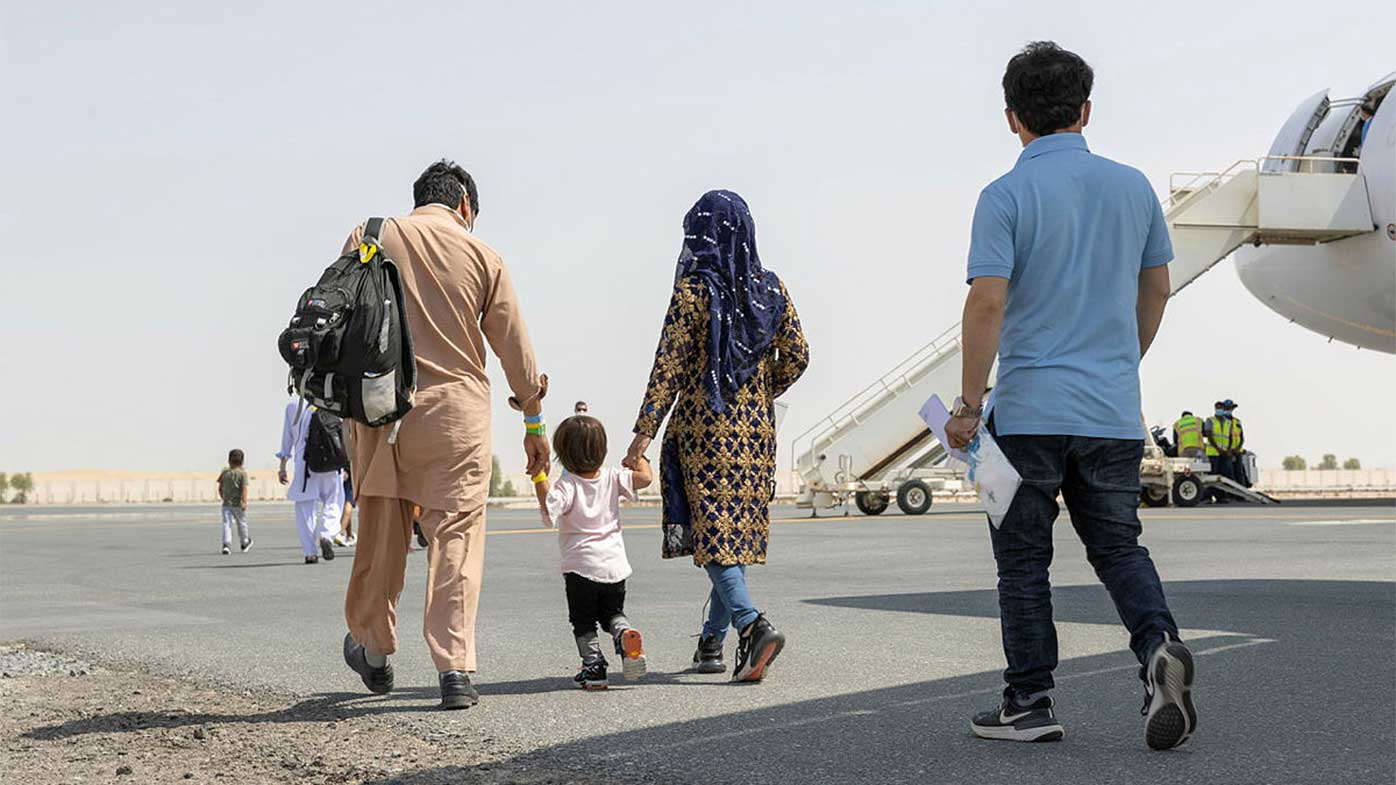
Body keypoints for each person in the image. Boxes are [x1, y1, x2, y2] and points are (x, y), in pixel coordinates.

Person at [945, 43, 1196, 750]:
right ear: (1086, 111)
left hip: (1028, 412)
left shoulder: (1005, 195)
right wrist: (1122, 360)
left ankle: (1029, 702)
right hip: (1111, 411)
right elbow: (1158, 287)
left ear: (1011, 119)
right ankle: (1157, 649)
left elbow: (987, 302)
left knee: (1023, 561)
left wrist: (967, 405)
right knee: (1118, 546)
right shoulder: (1134, 187)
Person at [338, 160, 549, 710]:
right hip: (455, 417)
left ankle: (376, 652)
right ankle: (454, 670)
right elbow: (515, 350)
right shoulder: (484, 257)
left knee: (381, 536)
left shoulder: (374, 235)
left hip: (381, 412)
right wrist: (533, 421)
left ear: (419, 200)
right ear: (464, 206)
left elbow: (340, 314)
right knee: (455, 539)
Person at [623, 190, 809, 683]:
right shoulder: (771, 289)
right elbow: (798, 354)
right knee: (731, 535)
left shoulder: (693, 292)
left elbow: (667, 369)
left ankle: (752, 624)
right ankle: (712, 643)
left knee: (714, 536)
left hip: (706, 431)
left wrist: (641, 438)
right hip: (755, 433)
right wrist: (761, 388)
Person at [539, 415, 653, 690]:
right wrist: (638, 457)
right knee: (613, 612)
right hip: (614, 565)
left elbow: (548, 512)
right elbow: (646, 479)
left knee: (584, 620)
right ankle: (624, 633)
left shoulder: (567, 484)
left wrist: (539, 475)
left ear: (562, 453)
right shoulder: (614, 477)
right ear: (602, 450)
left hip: (580, 568)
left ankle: (593, 667)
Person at [277, 399, 344, 564]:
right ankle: (326, 534)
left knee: (304, 508)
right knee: (334, 501)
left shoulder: (293, 407)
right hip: (331, 464)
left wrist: (283, 465)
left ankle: (310, 553)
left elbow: (287, 438)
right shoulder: (333, 404)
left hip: (305, 466)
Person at [215, 449, 252, 555]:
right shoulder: (242, 473)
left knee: (227, 524)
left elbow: (220, 487)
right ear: (242, 461)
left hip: (226, 504)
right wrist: (244, 502)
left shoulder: (225, 472)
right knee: (242, 523)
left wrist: (223, 497)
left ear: (229, 460)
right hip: (238, 504)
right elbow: (244, 489)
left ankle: (226, 544)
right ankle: (244, 542)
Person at [1204, 400, 1235, 500]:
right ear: (1215, 409)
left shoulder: (1228, 422)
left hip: (1224, 453)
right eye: (1218, 408)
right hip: (1213, 452)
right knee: (1212, 476)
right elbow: (1209, 435)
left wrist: (1228, 449)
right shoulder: (1210, 420)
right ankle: (1208, 497)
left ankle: (1221, 497)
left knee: (1223, 476)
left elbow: (1230, 437)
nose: (1219, 410)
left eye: (1221, 408)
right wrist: (1218, 448)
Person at [1224, 400, 1247, 486]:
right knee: (1229, 474)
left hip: (1237, 451)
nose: (1229, 409)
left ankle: (1242, 494)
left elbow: (1241, 437)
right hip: (1227, 452)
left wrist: (1238, 448)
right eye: (1227, 408)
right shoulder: (1221, 422)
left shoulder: (1237, 421)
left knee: (1239, 473)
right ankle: (1231, 494)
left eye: (1231, 408)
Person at [334, 467, 357, 547]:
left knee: (345, 502)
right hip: (351, 468)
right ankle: (341, 532)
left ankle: (349, 535)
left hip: (339, 468)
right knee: (349, 502)